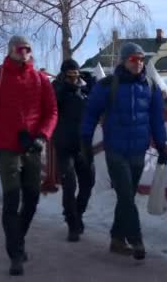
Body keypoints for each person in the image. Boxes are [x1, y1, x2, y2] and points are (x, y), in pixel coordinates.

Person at [0, 35, 58, 276]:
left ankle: (17, 238)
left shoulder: (41, 80)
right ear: (11, 50)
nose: (24, 52)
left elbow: (52, 111)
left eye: (28, 49)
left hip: (32, 147)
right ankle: (15, 254)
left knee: (31, 199)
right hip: (6, 148)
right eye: (20, 48)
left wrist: (43, 135)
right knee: (12, 199)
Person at [81, 42, 167, 261]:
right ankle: (136, 238)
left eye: (141, 59)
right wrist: (85, 140)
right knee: (126, 196)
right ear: (123, 60)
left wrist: (162, 145)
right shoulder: (107, 85)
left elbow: (157, 119)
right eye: (133, 59)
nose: (138, 63)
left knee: (126, 196)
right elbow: (90, 113)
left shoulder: (151, 86)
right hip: (115, 149)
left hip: (138, 150)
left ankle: (117, 240)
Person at [52, 59, 95, 243]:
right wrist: (64, 89)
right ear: (63, 75)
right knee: (70, 185)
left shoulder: (85, 87)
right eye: (69, 76)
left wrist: (91, 85)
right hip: (64, 144)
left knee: (88, 182)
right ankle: (72, 224)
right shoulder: (56, 88)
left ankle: (77, 213)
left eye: (75, 75)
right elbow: (51, 105)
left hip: (83, 144)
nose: (73, 79)